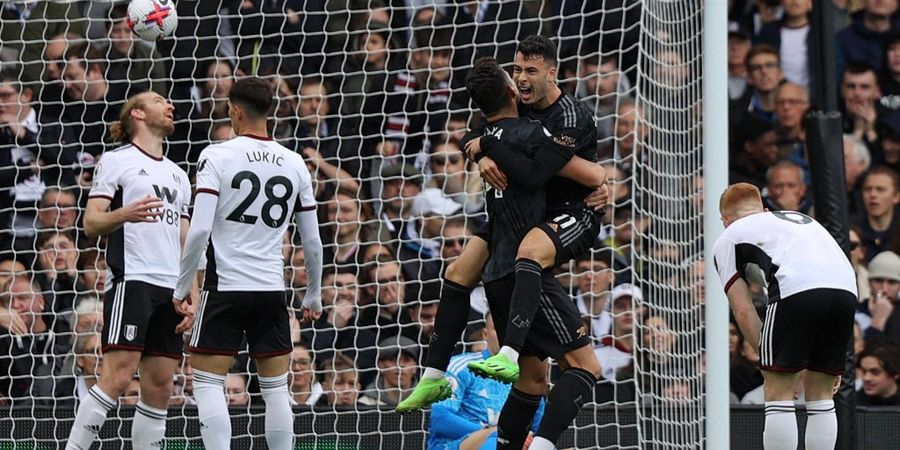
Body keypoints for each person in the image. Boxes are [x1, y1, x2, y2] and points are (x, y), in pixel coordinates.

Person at [400, 35, 608, 412]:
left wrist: (600, 178)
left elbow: (539, 170)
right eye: (516, 69)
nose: (522, 78)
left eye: (530, 70)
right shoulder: (519, 108)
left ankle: (508, 351)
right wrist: (478, 154)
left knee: (528, 258)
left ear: (551, 72)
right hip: (520, 214)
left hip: (565, 215)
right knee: (458, 271)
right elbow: (473, 132)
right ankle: (432, 375)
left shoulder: (571, 117)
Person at [171, 77, 324, 450]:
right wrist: (314, 296)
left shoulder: (216, 155)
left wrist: (181, 287)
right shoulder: (294, 163)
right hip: (272, 290)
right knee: (274, 389)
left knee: (207, 382)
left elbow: (199, 229)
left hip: (225, 287)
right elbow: (313, 241)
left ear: (235, 110)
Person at [66, 92, 193, 450]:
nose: (170, 105)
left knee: (161, 386)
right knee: (117, 377)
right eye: (159, 100)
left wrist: (191, 290)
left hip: (172, 289)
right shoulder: (116, 160)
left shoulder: (178, 174)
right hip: (133, 279)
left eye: (171, 101)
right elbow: (91, 223)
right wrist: (125, 214)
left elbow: (185, 237)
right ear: (137, 113)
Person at [713, 183, 858, 450]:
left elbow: (743, 309)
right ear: (764, 209)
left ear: (725, 221)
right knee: (821, 394)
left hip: (797, 291)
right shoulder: (803, 220)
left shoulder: (729, 236)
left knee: (778, 392)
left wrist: (774, 361)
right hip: (847, 291)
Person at [428, 312, 544, 450]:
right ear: (485, 334)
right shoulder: (462, 366)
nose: (504, 334)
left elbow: (540, 430)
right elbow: (440, 419)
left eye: (510, 330)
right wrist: (490, 431)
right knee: (497, 439)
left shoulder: (527, 379)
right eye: (497, 328)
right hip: (455, 445)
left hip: (508, 443)